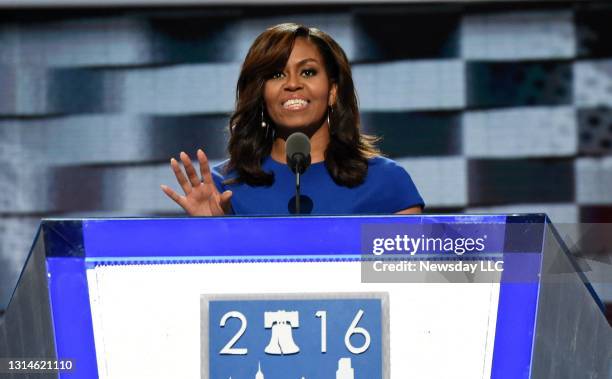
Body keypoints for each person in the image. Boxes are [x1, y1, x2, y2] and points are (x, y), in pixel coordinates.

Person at [160, 23, 424, 216]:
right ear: (260, 94)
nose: (293, 84)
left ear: (332, 91)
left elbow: (403, 282)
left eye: (308, 72)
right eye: (276, 75)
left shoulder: (386, 182)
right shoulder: (223, 188)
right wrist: (216, 233)